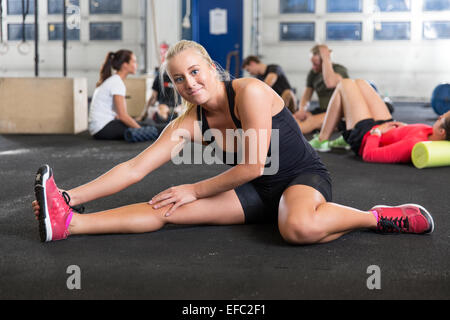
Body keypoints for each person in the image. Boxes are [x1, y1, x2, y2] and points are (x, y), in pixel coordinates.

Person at [32, 40, 434, 244]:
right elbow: (135, 168)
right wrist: (66, 196)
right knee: (166, 207)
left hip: (301, 178)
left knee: (297, 227)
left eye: (195, 71)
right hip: (255, 192)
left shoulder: (251, 92)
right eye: (178, 79)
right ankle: (72, 224)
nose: (189, 84)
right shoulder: (190, 120)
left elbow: (255, 164)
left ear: (211, 67)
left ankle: (375, 217)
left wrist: (193, 188)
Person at [308, 78, 450, 163]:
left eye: (441, 117)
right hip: (386, 125)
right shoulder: (429, 132)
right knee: (360, 83)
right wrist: (404, 128)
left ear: (442, 132)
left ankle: (322, 139)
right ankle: (337, 135)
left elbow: (369, 155)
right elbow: (411, 133)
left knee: (344, 84)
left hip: (365, 135)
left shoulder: (412, 145)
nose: (439, 116)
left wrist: (375, 133)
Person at [88, 50, 158, 140]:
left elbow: (118, 115)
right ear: (125, 65)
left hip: (99, 127)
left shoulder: (113, 80)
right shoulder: (117, 82)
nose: (136, 65)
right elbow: (123, 116)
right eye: (134, 62)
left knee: (147, 124)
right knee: (150, 128)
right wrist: (141, 130)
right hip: (102, 129)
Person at [294, 44, 349, 136]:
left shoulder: (339, 69)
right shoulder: (313, 73)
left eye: (316, 64)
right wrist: (302, 110)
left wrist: (326, 58)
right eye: (312, 63)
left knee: (307, 123)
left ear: (324, 61)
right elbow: (307, 96)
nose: (313, 67)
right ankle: (271, 141)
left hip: (340, 113)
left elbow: (330, 83)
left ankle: (275, 142)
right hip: (323, 110)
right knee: (293, 118)